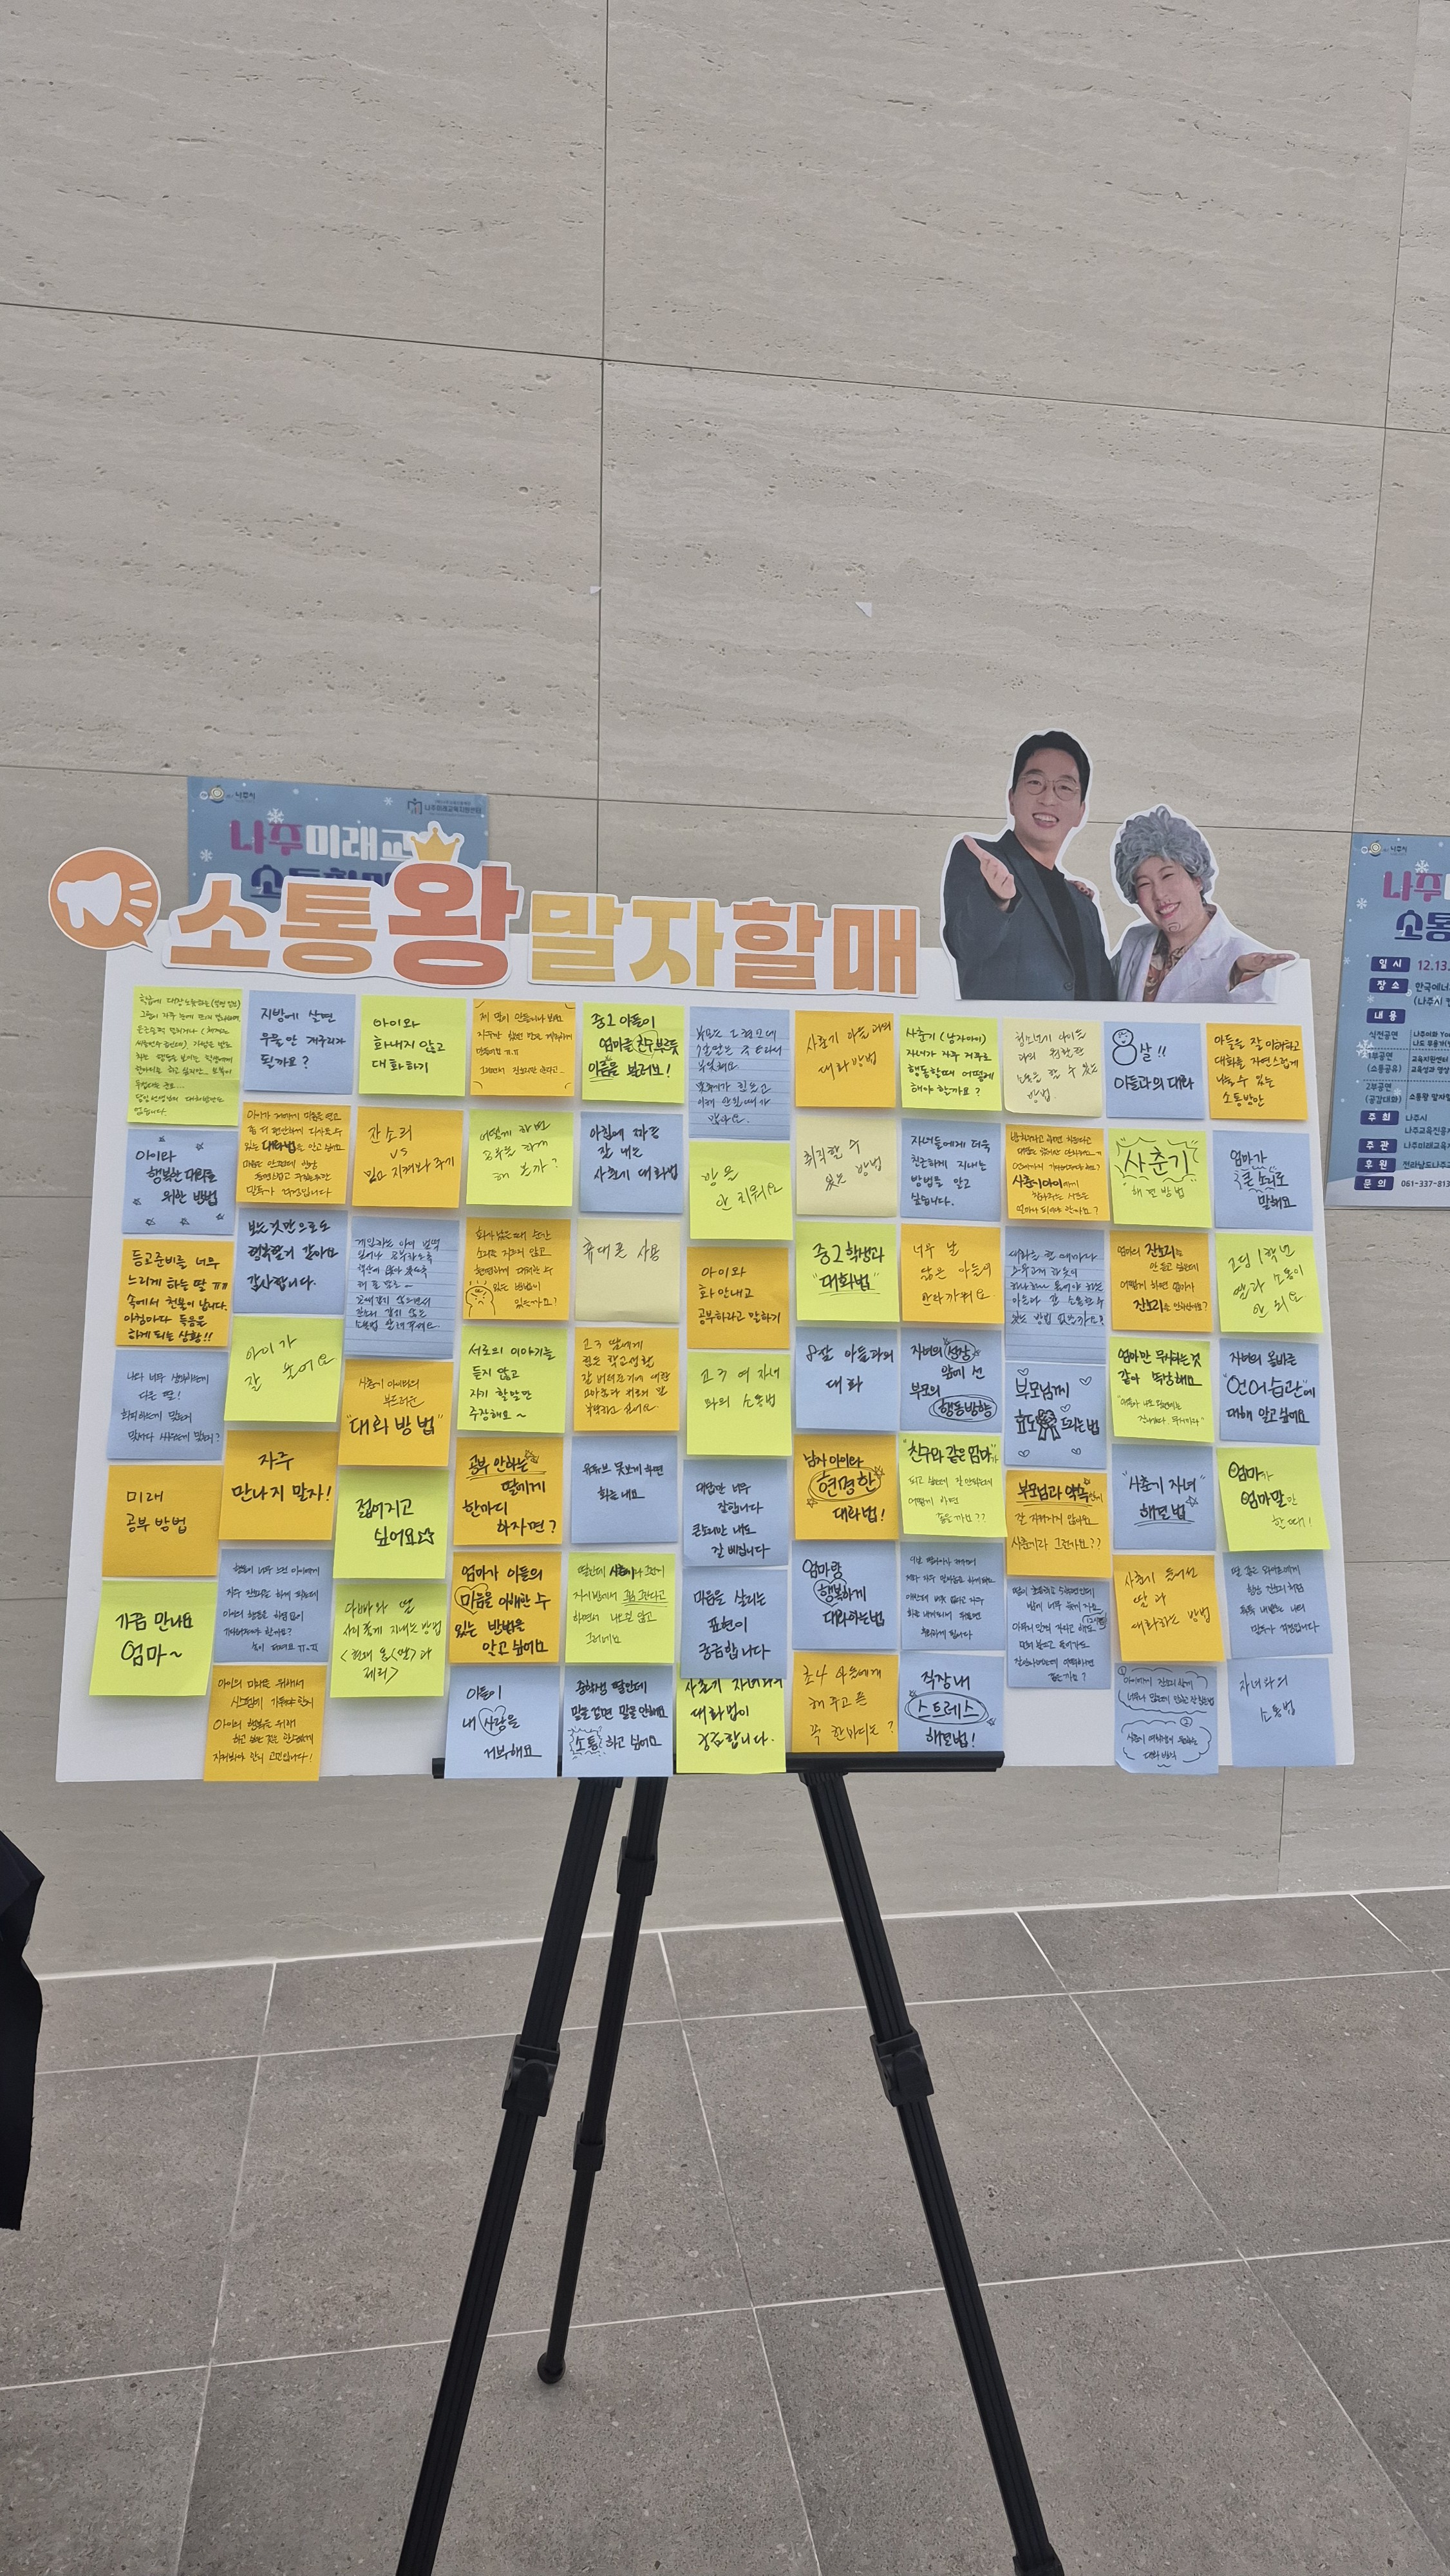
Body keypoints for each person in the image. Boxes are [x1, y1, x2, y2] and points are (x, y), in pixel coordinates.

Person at [941, 732, 1117, 1002]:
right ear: (1012, 799)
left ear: (1081, 812)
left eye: (1065, 787)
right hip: (1009, 1031)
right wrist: (996, 899)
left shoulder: (1084, 906)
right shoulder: (982, 860)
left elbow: (1104, 996)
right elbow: (967, 947)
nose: (1049, 799)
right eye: (1035, 782)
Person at [1110, 808, 1293, 1001]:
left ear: (1197, 879)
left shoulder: (1246, 958)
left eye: (1168, 876)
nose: (1159, 894)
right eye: (1144, 884)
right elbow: (1094, 994)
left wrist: (1242, 980)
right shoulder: (1134, 942)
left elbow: (1261, 1017)